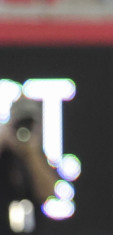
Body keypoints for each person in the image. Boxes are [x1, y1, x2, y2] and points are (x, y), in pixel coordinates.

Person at [0, 95, 61, 233]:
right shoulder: (4, 153)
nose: (23, 131)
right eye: (19, 125)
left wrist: (31, 155)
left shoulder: (37, 156)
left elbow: (47, 192)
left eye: (28, 125)